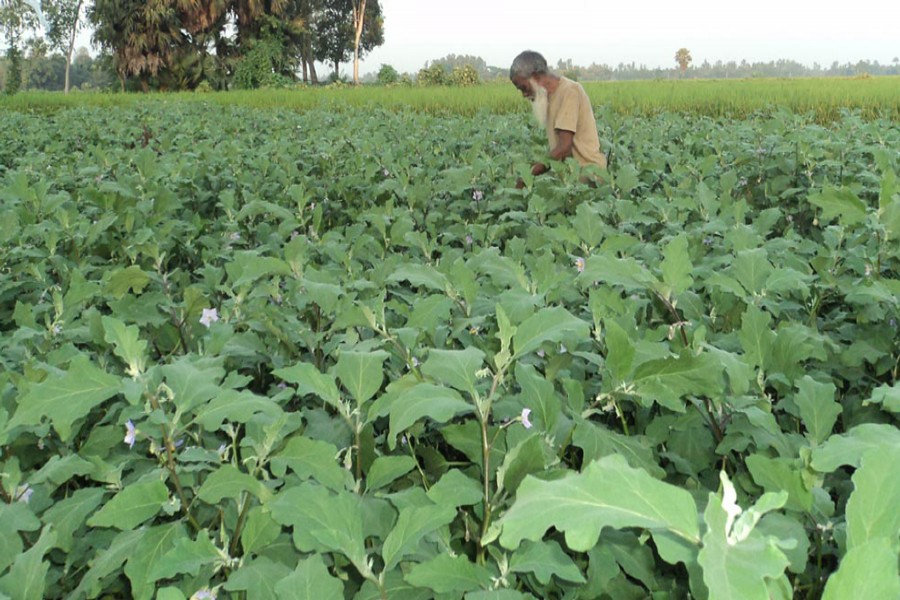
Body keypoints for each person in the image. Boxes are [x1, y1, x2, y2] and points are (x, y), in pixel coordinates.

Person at [509, 50, 606, 186]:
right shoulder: (548, 98)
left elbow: (564, 148)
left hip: (589, 179)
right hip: (570, 180)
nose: (524, 95)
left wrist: (528, 176)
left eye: (524, 88)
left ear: (535, 77)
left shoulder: (569, 92)